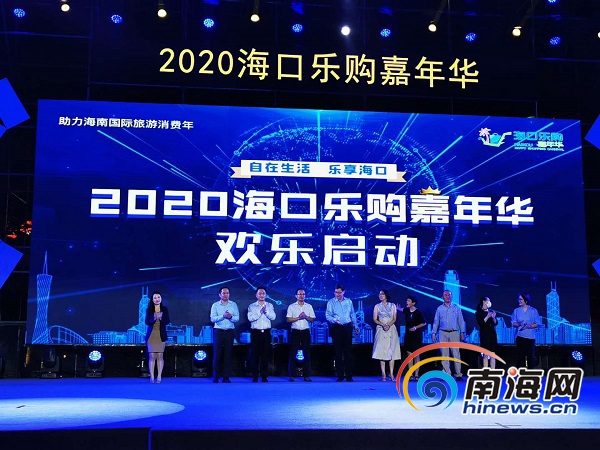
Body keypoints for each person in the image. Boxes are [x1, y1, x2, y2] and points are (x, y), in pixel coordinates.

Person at [326, 284, 360, 382]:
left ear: (343, 292)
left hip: (347, 327)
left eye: (339, 292)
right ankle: (340, 375)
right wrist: (334, 320)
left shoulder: (349, 301)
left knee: (348, 352)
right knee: (338, 352)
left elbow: (352, 314)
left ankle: (349, 375)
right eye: (336, 292)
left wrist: (356, 326)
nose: (337, 294)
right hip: (337, 328)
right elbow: (328, 315)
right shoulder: (331, 302)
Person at [431, 290, 466, 381]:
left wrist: (462, 332)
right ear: (442, 297)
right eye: (445, 295)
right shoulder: (439, 308)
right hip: (442, 333)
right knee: (444, 354)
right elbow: (436, 321)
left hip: (454, 332)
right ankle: (447, 374)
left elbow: (461, 320)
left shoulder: (456, 308)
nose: (447, 296)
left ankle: (458, 374)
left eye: (449, 295)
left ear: (451, 297)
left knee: (456, 354)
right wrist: (434, 333)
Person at [210, 286, 239, 383]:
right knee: (217, 354)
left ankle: (226, 377)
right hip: (218, 331)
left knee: (228, 355)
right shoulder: (215, 305)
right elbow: (212, 319)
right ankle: (216, 377)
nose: (225, 295)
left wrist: (230, 317)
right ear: (220, 294)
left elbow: (237, 318)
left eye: (227, 293)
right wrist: (223, 316)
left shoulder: (233, 304)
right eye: (223, 293)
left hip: (229, 332)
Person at [287, 288, 316, 382]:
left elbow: (312, 319)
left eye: (303, 294)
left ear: (305, 296)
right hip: (295, 332)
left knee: (307, 354)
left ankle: (306, 376)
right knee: (293, 353)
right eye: (299, 294)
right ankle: (292, 376)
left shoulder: (309, 306)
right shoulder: (291, 306)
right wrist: (299, 318)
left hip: (305, 332)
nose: (301, 296)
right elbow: (288, 319)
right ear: (296, 296)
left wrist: (306, 317)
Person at [372, 290, 402, 381]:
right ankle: (383, 374)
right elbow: (375, 319)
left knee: (392, 351)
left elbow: (394, 318)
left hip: (391, 329)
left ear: (386, 295)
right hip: (381, 329)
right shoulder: (377, 306)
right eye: (379, 294)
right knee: (381, 351)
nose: (380, 296)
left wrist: (388, 325)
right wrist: (383, 325)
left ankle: (392, 374)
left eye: (382, 294)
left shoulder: (392, 305)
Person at [247, 286, 276, 382]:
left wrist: (266, 312)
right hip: (255, 333)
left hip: (266, 333)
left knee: (265, 355)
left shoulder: (270, 305)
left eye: (263, 293)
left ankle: (264, 376)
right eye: (260, 293)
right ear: (256, 295)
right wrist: (260, 312)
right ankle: (255, 376)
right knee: (255, 355)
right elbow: (250, 318)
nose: (261, 295)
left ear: (266, 295)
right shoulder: (251, 306)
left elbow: (273, 317)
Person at [145, 291, 171, 384]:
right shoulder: (149, 310)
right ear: (152, 300)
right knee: (152, 356)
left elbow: (167, 321)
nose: (157, 299)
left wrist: (161, 318)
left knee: (160, 355)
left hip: (161, 335)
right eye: (155, 298)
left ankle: (159, 376)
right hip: (152, 335)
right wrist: (154, 318)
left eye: (158, 297)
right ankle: (152, 376)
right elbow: (147, 321)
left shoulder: (164, 309)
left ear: (161, 298)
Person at [511, 293, 541, 368]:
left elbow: (537, 323)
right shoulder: (516, 311)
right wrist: (519, 323)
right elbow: (513, 323)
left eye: (521, 299)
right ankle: (521, 372)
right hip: (520, 337)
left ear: (525, 300)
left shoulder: (533, 310)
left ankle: (530, 373)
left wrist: (529, 326)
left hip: (530, 338)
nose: (519, 300)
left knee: (530, 357)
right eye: (518, 299)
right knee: (520, 357)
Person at [401, 295, 426, 381]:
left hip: (416, 335)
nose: (407, 302)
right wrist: (397, 308)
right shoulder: (406, 310)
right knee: (409, 355)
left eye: (408, 301)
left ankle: (416, 374)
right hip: (408, 335)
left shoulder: (418, 312)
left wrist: (415, 327)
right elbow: (401, 309)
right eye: (407, 300)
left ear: (413, 303)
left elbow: (423, 323)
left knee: (416, 355)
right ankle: (411, 374)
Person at [476, 296, 498, 369]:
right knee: (485, 354)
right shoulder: (479, 313)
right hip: (484, 335)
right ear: (484, 302)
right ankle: (486, 371)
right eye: (488, 301)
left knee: (493, 354)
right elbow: (481, 323)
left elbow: (495, 323)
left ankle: (493, 371)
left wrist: (493, 317)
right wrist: (487, 316)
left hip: (492, 334)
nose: (489, 302)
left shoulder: (491, 311)